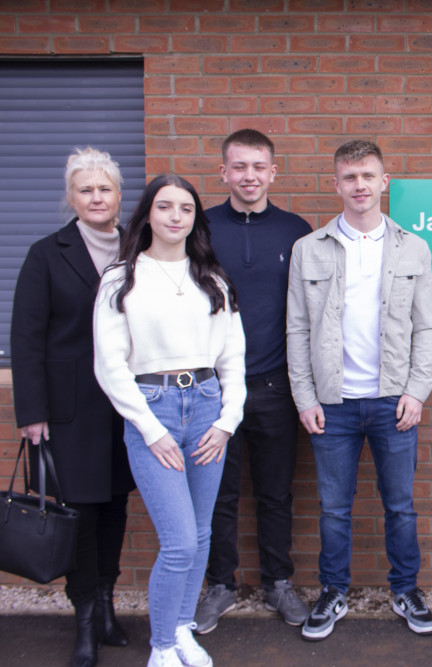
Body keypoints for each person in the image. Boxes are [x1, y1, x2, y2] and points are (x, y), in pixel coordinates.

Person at [286, 139, 432, 641]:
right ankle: (333, 592)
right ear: (336, 184)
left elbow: (426, 328)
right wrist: (304, 396)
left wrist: (416, 391)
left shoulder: (413, 248)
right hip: (333, 404)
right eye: (349, 177)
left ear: (383, 182)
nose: (359, 186)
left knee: (400, 505)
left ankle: (406, 589)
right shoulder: (310, 248)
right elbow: (298, 330)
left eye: (368, 176)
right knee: (334, 508)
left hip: (393, 400)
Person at [94, 174, 246, 667]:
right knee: (179, 541)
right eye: (165, 206)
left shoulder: (213, 280)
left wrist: (227, 421)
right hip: (151, 409)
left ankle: (182, 629)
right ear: (148, 215)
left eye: (185, 208)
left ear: (195, 218)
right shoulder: (122, 278)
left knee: (200, 534)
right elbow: (109, 364)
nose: (175, 216)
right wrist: (150, 428)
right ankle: (161, 647)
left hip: (205, 406)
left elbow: (233, 359)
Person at [11, 147, 136, 667]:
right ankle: (83, 614)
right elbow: (26, 338)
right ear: (71, 198)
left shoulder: (138, 248)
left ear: (118, 195)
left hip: (126, 405)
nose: (96, 198)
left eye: (104, 188)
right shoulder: (47, 253)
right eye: (85, 190)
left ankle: (106, 602)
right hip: (69, 409)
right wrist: (31, 412)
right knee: (79, 511)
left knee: (114, 505)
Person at [194, 129, 313, 634]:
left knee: (275, 492)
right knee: (216, 492)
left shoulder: (296, 230)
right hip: (212, 389)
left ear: (273, 172)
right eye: (239, 167)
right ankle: (219, 584)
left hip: (274, 386)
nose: (249, 176)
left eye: (258, 167)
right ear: (223, 172)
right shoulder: (197, 227)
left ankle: (278, 582)